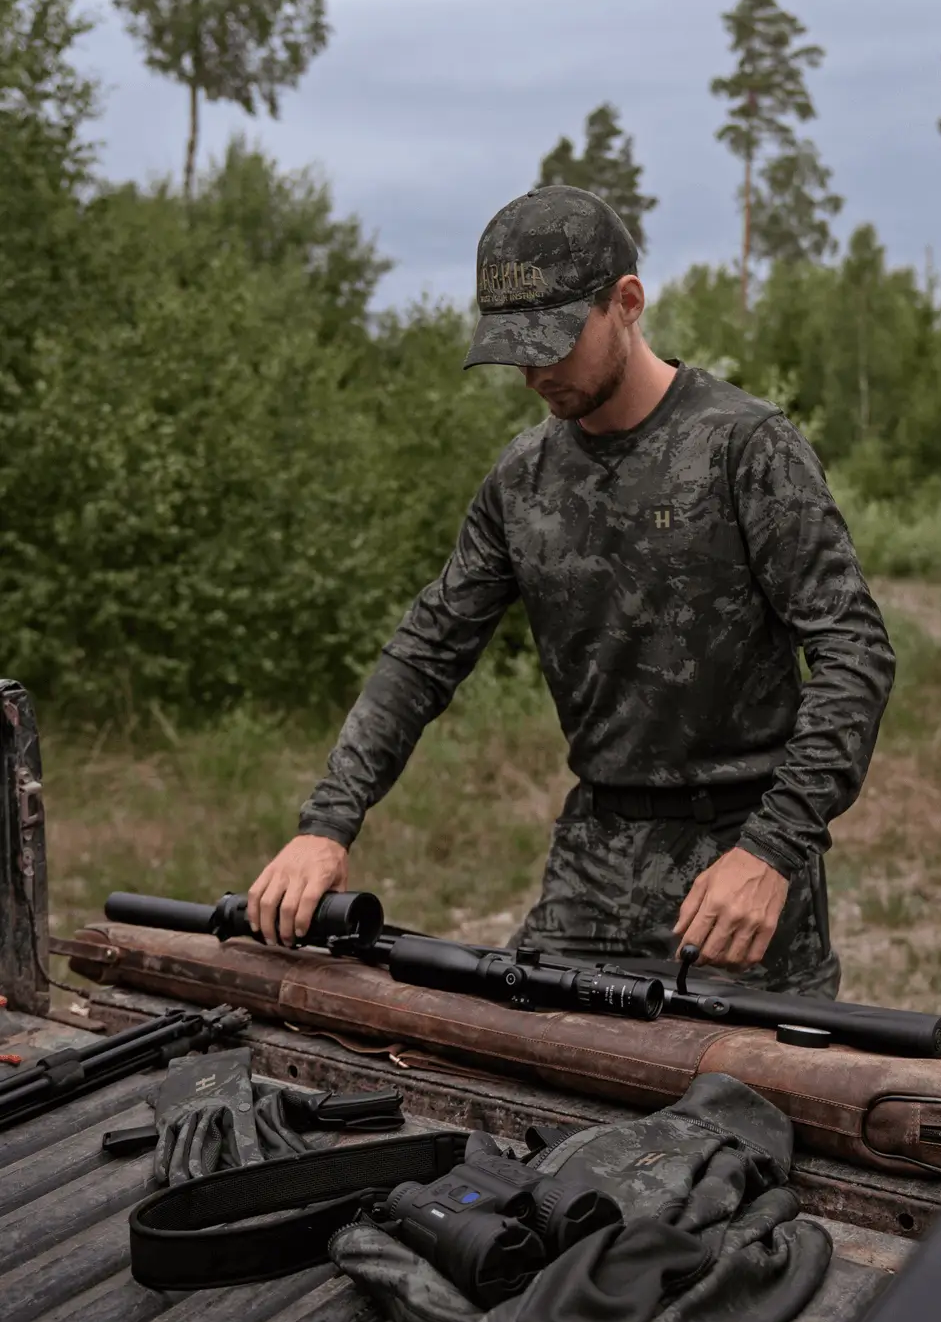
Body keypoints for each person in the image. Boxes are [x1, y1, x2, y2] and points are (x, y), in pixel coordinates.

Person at [248, 185, 895, 994]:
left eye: (553, 343)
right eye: (514, 349)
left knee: (731, 1106)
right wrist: (326, 825)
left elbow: (852, 653)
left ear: (625, 302)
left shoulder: (745, 449)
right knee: (518, 1076)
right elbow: (424, 654)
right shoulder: (522, 480)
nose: (533, 373)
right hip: (592, 863)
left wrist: (770, 851)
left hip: (737, 866)